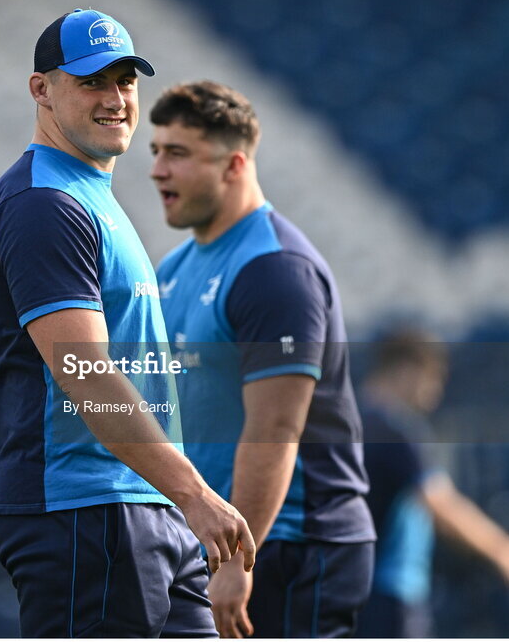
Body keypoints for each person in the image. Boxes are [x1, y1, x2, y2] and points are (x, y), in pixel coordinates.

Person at [0, 10, 255, 638]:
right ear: (41, 89)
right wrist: (196, 495)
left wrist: (179, 496)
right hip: (83, 508)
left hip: (137, 503)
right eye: (92, 81)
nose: (115, 98)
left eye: (125, 80)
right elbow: (85, 375)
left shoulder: (87, 194)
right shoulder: (43, 203)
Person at [150, 80, 376, 638]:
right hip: (218, 545)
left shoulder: (274, 269)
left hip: (295, 544)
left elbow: (276, 425)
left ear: (232, 165)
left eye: (177, 153)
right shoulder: (172, 270)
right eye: (155, 152)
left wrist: (235, 563)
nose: (157, 170)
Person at [356, 328, 509, 638]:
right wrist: (502, 549)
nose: (435, 393)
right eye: (433, 379)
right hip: (390, 590)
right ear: (406, 370)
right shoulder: (395, 429)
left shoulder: (348, 419)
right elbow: (441, 504)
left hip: (351, 585)